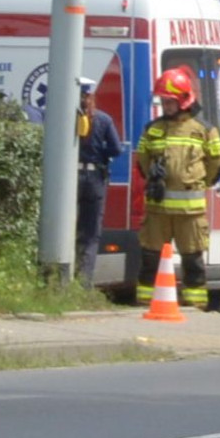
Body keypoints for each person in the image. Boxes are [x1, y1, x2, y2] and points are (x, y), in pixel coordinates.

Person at [134, 67, 220, 310]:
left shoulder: (204, 130)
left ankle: (195, 305)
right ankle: (145, 301)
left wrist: (201, 183)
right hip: (157, 208)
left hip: (190, 211)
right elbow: (142, 160)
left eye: (171, 101)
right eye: (164, 101)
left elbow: (217, 163)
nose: (166, 106)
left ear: (185, 99)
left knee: (193, 258)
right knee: (150, 257)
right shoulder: (152, 129)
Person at [76, 77, 123, 287]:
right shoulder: (103, 119)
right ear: (91, 96)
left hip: (71, 178)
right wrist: (99, 155)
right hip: (94, 178)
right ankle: (83, 284)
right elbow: (117, 149)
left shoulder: (66, 117)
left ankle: (59, 279)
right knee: (91, 233)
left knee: (68, 228)